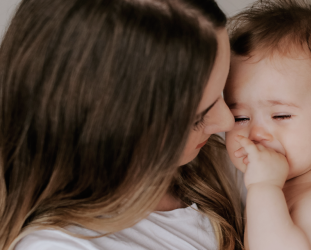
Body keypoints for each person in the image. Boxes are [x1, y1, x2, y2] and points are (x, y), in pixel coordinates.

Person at [0, 0, 244, 249]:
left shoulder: (217, 160)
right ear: (107, 130)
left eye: (222, 92)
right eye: (196, 117)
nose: (227, 122)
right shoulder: (61, 245)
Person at [224, 0, 311, 249]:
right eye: (240, 118)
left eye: (281, 116)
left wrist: (264, 187)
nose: (256, 133)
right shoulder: (293, 180)